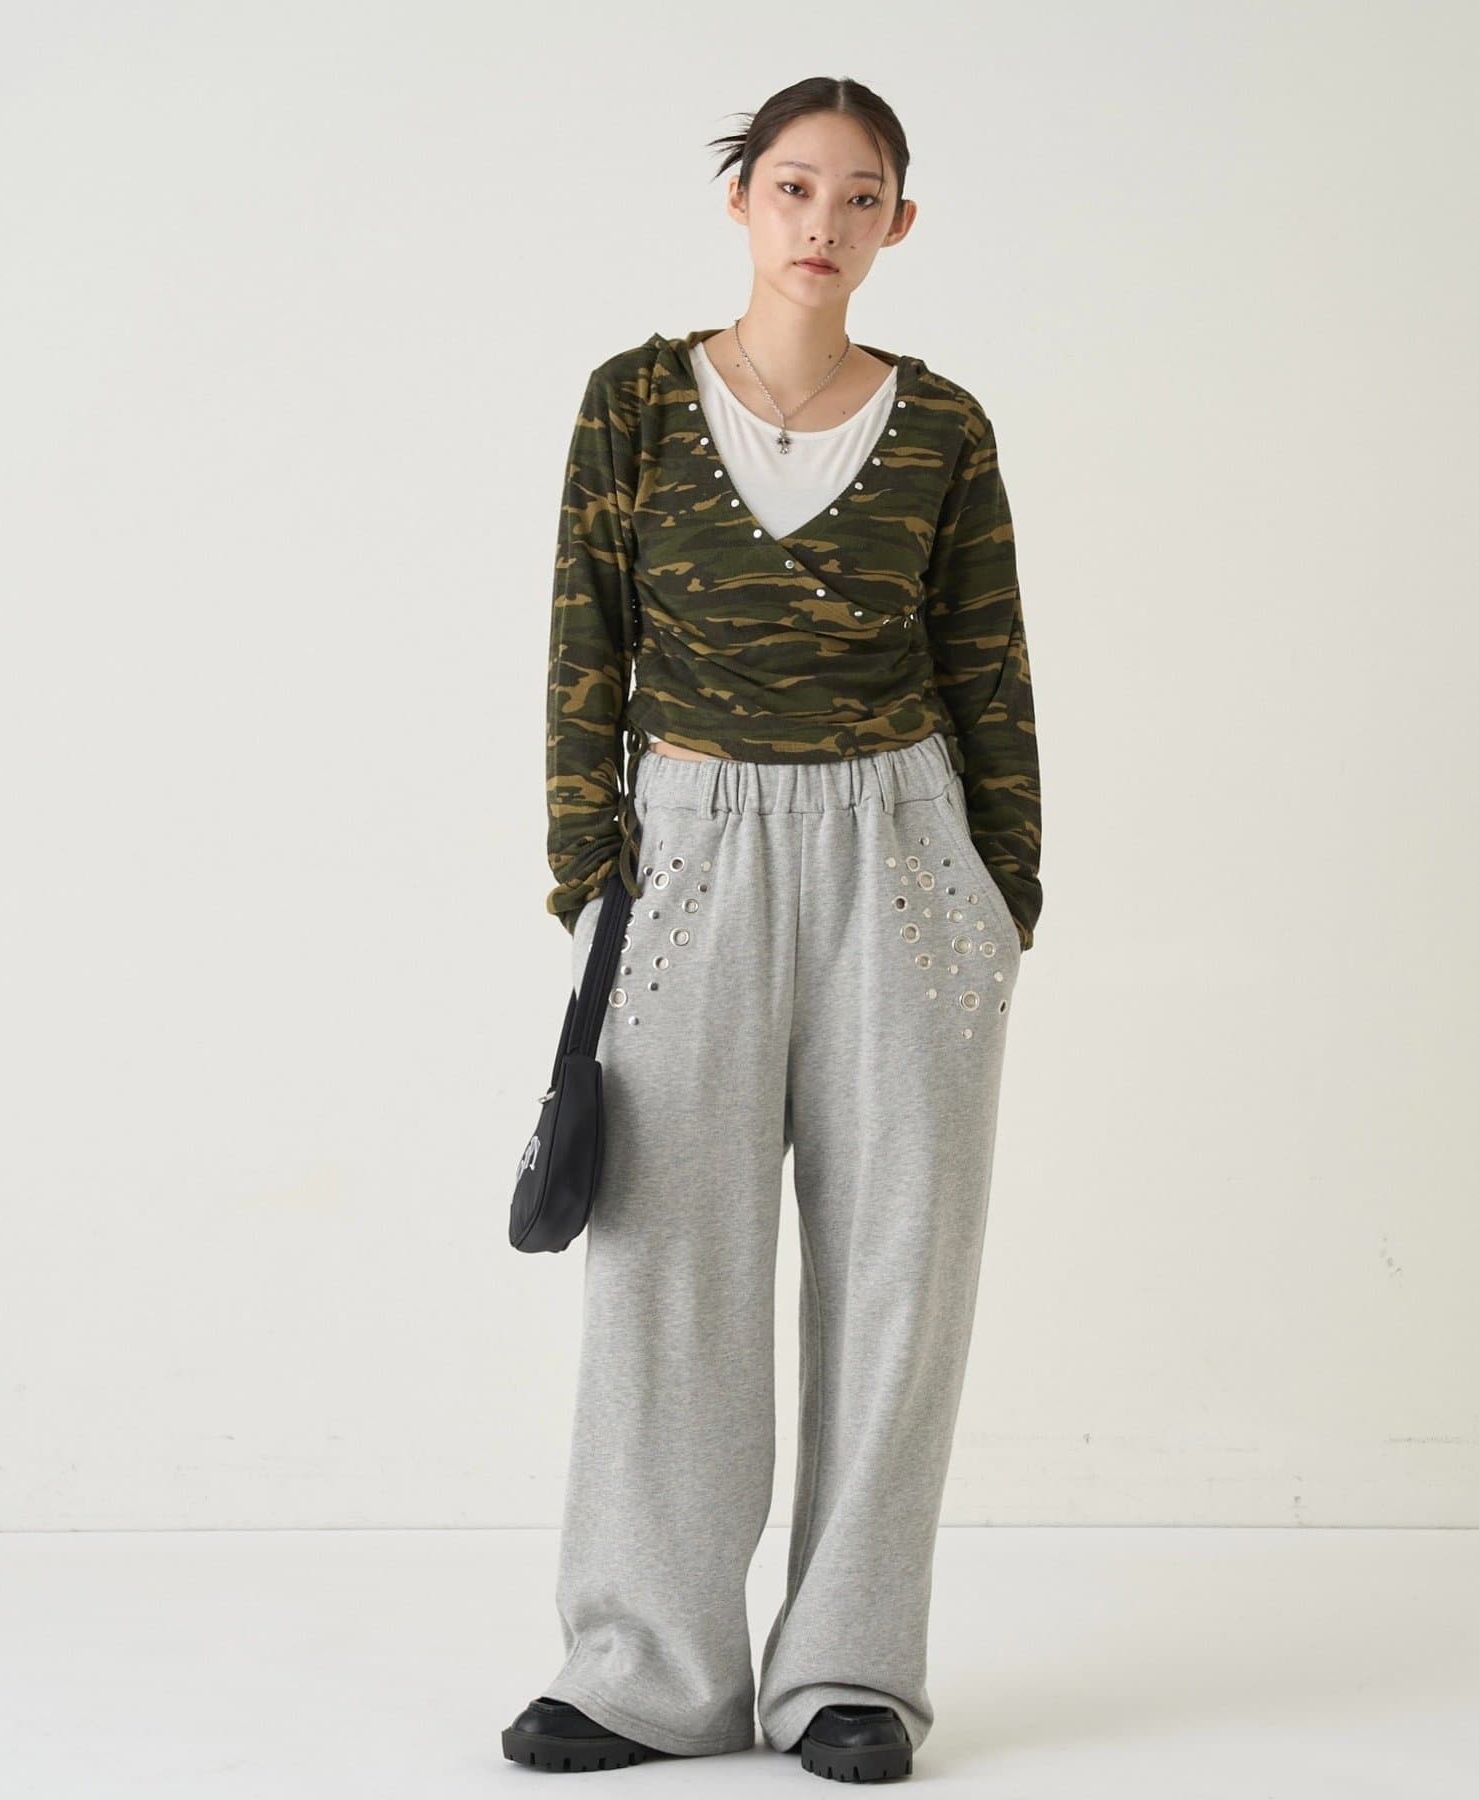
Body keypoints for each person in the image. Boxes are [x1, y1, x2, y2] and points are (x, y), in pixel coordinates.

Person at [503, 75, 1042, 1783]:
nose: (824, 221)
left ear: (900, 222)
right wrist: (592, 879)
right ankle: (648, 1671)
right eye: (794, 186)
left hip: (904, 855)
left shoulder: (945, 429)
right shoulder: (635, 403)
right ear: (742, 202)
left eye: (860, 194)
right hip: (688, 850)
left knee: (901, 1273)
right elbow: (585, 646)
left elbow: (990, 667)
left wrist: (1001, 898)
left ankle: (850, 1675)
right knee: (666, 1266)